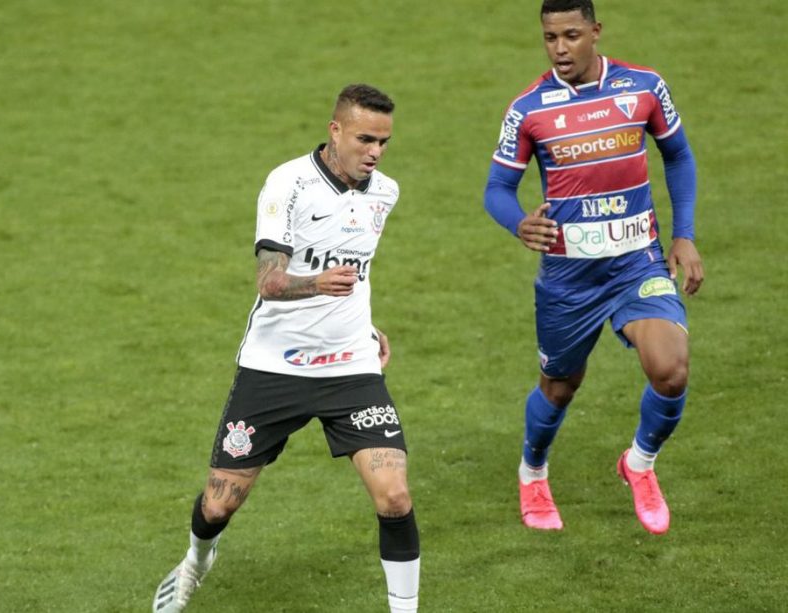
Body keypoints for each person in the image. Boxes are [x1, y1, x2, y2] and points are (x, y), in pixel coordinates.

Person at [152, 84, 420, 612]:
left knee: (394, 496)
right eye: (365, 139)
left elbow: (356, 270)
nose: (376, 152)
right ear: (335, 131)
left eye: (384, 142)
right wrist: (319, 283)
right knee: (218, 505)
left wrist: (365, 327)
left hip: (350, 368)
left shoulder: (385, 192)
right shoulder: (288, 184)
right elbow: (269, 282)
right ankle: (196, 561)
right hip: (274, 367)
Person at [483, 0, 704, 535]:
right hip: (569, 278)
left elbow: (678, 155)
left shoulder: (643, 87)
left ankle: (640, 464)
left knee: (671, 370)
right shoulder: (529, 109)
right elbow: (497, 189)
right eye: (550, 37)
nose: (560, 48)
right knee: (560, 387)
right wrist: (518, 223)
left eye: (571, 35)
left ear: (595, 32)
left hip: (636, 263)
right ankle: (533, 472)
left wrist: (684, 235)